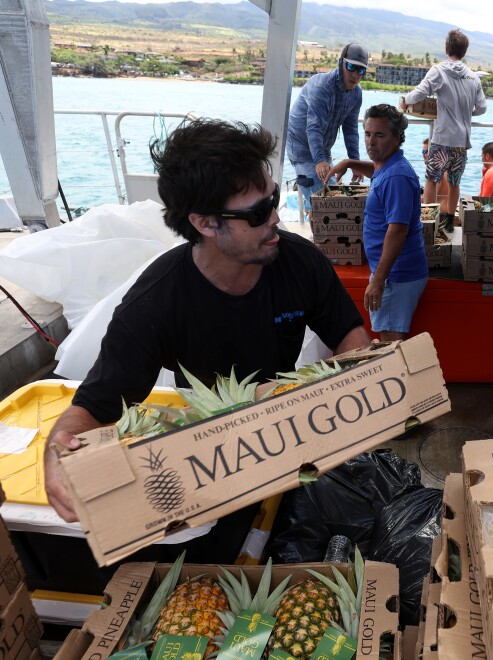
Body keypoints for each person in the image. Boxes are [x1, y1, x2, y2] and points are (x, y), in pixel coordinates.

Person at [45, 118, 372, 524]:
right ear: (204, 223)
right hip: (206, 453)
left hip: (289, 432)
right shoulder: (155, 303)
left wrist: (356, 393)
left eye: (274, 199)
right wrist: (58, 455)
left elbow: (348, 334)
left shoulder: (301, 261)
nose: (275, 218)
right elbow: (93, 407)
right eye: (257, 213)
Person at [325, 104, 429, 341]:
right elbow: (376, 171)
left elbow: (398, 230)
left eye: (379, 135)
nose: (371, 142)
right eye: (368, 134)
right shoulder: (388, 166)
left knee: (390, 346)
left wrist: (379, 280)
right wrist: (351, 162)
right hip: (392, 274)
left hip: (396, 277)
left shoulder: (397, 177)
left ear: (397, 139)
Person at [400, 29, 487, 237]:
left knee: (432, 179)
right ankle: (448, 220)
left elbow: (420, 93)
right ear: (464, 52)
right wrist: (466, 112)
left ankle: (429, 221)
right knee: (455, 181)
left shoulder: (439, 71)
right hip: (461, 141)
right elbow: (482, 108)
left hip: (442, 138)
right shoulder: (474, 78)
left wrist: (404, 100)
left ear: (446, 49)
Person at [286, 43, 369, 216]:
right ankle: (317, 238)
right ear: (341, 63)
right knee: (322, 203)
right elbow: (314, 126)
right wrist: (319, 161)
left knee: (333, 196)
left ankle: (325, 238)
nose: (355, 74)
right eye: (351, 67)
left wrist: (355, 163)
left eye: (360, 70)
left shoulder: (356, 94)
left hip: (323, 148)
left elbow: (351, 129)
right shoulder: (321, 87)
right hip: (301, 146)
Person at [422, 137, 450, 206]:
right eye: (423, 151)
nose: (424, 154)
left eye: (426, 152)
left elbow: (426, 200)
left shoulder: (437, 172)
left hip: (441, 214)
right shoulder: (443, 169)